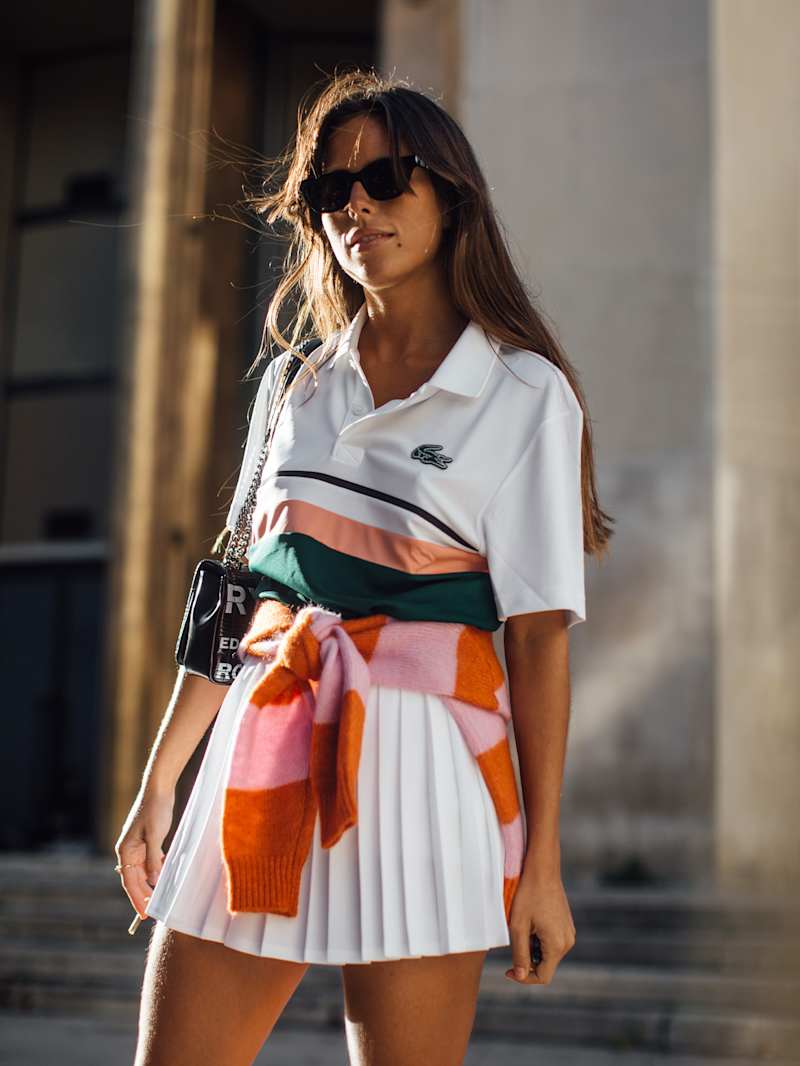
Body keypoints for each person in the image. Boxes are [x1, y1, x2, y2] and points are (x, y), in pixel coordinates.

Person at [115, 68, 613, 1066]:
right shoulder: (295, 385)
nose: (356, 206)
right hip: (264, 747)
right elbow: (244, 596)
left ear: (449, 194)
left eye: (385, 177)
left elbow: (536, 640)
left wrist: (542, 864)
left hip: (426, 772)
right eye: (330, 188)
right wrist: (159, 782)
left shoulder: (523, 394)